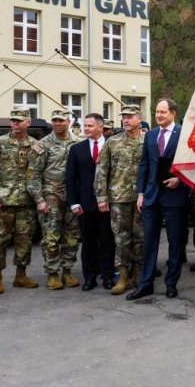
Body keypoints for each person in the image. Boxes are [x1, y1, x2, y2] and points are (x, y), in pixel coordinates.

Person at [130, 98, 190, 300]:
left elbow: (192, 164)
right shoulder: (151, 135)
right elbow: (144, 165)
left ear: (173, 113)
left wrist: (179, 180)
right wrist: (141, 193)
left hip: (174, 197)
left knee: (174, 243)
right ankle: (145, 284)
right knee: (149, 243)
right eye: (156, 112)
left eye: (163, 112)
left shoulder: (184, 134)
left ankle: (171, 284)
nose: (158, 115)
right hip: (151, 197)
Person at [0, 106, 39, 294]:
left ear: (28, 122)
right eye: (13, 120)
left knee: (25, 240)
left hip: (26, 203)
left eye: (19, 120)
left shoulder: (35, 145)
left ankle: (21, 275)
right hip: (2, 203)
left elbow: (38, 173)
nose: (15, 123)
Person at [27, 109, 81, 290]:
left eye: (61, 120)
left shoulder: (77, 143)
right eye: (54, 120)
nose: (57, 123)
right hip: (51, 196)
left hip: (72, 195)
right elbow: (33, 175)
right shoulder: (42, 145)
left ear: (69, 122)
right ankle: (52, 273)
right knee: (51, 237)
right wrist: (39, 199)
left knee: (72, 235)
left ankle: (67, 271)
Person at [94, 104, 145, 295]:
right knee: (121, 238)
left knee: (140, 237)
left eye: (130, 116)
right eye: (123, 116)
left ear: (139, 118)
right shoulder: (112, 142)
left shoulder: (147, 141)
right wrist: (101, 196)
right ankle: (123, 275)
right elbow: (101, 171)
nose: (126, 120)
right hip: (118, 197)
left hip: (141, 198)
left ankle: (139, 274)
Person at [66, 113, 116, 291]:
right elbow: (70, 178)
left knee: (107, 241)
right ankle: (90, 278)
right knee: (88, 243)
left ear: (101, 127)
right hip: (85, 204)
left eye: (90, 126)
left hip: (107, 203)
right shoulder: (76, 149)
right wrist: (73, 202)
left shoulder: (112, 146)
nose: (86, 128)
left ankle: (108, 276)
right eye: (85, 126)